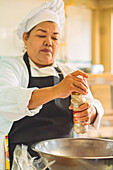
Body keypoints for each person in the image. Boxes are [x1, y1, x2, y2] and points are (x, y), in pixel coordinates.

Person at [0, 0, 104, 169]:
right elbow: (6, 100)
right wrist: (57, 90)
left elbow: (93, 104)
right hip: (22, 162)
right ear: (26, 38)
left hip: (64, 160)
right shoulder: (10, 67)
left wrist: (90, 112)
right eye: (41, 35)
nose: (49, 42)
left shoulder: (68, 72)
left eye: (55, 37)